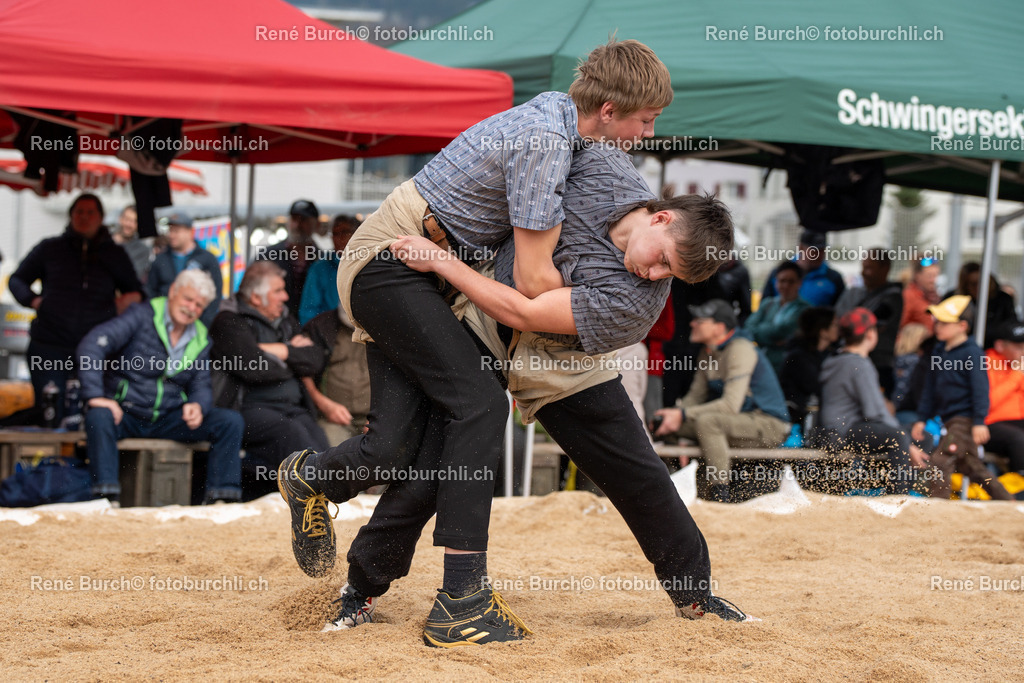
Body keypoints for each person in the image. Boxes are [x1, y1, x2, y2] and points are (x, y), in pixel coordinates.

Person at [277, 37, 677, 647]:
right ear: (608, 108)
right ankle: (463, 595)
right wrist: (591, 308)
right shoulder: (548, 142)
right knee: (482, 406)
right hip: (395, 265)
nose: (646, 134)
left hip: (421, 276)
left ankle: (313, 481)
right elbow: (532, 282)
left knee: (392, 450)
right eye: (645, 120)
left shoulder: (563, 127)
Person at [329, 183, 743, 639]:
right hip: (485, 332)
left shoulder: (638, 299)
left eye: (671, 275)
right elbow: (569, 128)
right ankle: (361, 587)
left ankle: (695, 595)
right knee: (430, 472)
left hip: (564, 364)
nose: (654, 275)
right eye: (662, 259)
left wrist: (441, 261)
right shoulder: (594, 180)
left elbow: (528, 314)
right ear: (660, 217)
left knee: (638, 469)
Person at [77, 270, 243, 504]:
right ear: (173, 291)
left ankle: (223, 499)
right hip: (126, 412)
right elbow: (93, 345)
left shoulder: (200, 338)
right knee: (98, 416)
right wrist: (95, 396)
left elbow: (201, 384)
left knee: (229, 422)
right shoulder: (141, 315)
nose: (191, 308)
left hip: (167, 417)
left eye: (199, 305)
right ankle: (106, 497)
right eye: (188, 299)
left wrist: (198, 405)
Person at [8, 193, 143, 423]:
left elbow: (137, 292)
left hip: (96, 348)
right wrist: (35, 301)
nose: (84, 217)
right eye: (79, 212)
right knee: (50, 410)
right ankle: (49, 460)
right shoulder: (50, 248)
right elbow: (17, 280)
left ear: (100, 217)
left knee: (91, 412)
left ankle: (82, 460)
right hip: (49, 343)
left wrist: (120, 308)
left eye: (91, 212)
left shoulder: (115, 254)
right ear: (71, 216)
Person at [209, 261, 328, 501]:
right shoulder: (229, 321)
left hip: (293, 408)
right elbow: (254, 367)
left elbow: (315, 359)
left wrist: (276, 351)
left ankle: (325, 496)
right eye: (278, 291)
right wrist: (292, 357)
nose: (285, 296)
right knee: (293, 436)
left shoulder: (286, 321)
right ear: (255, 297)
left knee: (321, 443)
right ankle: (313, 501)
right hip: (247, 410)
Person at [654, 300, 791, 503]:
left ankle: (721, 495)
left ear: (719, 327)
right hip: (738, 421)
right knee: (663, 423)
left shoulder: (741, 349)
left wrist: (682, 414)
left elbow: (730, 405)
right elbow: (695, 397)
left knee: (708, 422)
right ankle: (674, 484)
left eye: (700, 320)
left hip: (769, 424)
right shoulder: (708, 351)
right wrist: (672, 416)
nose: (692, 324)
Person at [911, 295, 1012, 500]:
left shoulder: (972, 353)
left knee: (939, 462)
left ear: (962, 326)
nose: (938, 326)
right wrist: (922, 418)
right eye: (937, 321)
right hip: (948, 419)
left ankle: (939, 508)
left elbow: (980, 389)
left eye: (945, 322)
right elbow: (930, 390)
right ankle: (1007, 501)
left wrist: (978, 421)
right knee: (973, 468)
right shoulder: (938, 352)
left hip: (964, 421)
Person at [818, 308, 922, 495]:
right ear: (870, 334)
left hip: (836, 430)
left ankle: (891, 490)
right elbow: (874, 411)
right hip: (842, 432)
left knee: (920, 436)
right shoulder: (859, 364)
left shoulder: (835, 358)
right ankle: (897, 499)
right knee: (899, 437)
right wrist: (906, 440)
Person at [835, 248, 903, 394]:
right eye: (863, 267)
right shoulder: (853, 292)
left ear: (885, 269)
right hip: (847, 360)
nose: (864, 272)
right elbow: (837, 320)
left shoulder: (893, 297)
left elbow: (861, 324)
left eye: (869, 268)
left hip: (878, 364)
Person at [301, 306, 370, 445]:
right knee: (330, 455)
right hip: (331, 417)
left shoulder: (387, 328)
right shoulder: (322, 326)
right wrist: (324, 404)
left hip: (374, 418)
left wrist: (382, 416)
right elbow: (302, 369)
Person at [146, 212, 223, 328]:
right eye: (170, 230)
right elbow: (150, 290)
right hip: (163, 322)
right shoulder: (160, 259)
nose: (172, 235)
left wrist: (203, 324)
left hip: (197, 322)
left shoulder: (207, 259)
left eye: (176, 231)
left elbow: (216, 294)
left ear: (189, 232)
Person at [255, 199, 321, 319]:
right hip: (275, 324)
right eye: (294, 219)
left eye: (304, 220)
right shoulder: (267, 255)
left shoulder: (322, 260)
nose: (297, 225)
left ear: (316, 224)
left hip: (311, 327)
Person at [779, 306, 838, 439]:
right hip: (798, 419)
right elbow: (818, 387)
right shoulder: (798, 357)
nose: (838, 327)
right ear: (823, 331)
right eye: (834, 324)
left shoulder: (829, 354)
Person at [744, 261, 809, 377]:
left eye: (791, 281)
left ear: (799, 283)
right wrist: (775, 336)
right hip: (762, 364)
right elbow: (748, 328)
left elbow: (784, 331)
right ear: (775, 283)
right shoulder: (767, 303)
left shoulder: (805, 309)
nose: (786, 286)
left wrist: (761, 330)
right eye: (782, 281)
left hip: (788, 369)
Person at [298, 214, 359, 325]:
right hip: (331, 335)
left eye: (345, 232)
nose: (339, 238)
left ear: (357, 234)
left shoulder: (370, 265)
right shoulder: (320, 268)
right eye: (335, 233)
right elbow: (308, 311)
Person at [944, 262, 1019, 349]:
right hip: (964, 347)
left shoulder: (1003, 299)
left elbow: (1011, 324)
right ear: (965, 285)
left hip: (995, 349)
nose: (978, 287)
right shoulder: (954, 298)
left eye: (983, 282)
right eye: (973, 283)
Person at [762, 230, 844, 307]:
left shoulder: (833, 278)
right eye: (814, 251)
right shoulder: (779, 273)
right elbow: (764, 307)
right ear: (801, 248)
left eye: (822, 250)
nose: (819, 254)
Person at [983, 320, 1024, 475]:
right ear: (1000, 345)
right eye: (1018, 347)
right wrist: (1016, 376)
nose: (1023, 352)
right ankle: (1020, 488)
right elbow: (988, 402)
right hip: (991, 423)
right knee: (1018, 439)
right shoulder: (987, 363)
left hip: (1018, 420)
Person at [111, 205, 153, 283]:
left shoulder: (142, 250)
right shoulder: (105, 241)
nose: (129, 224)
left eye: (134, 221)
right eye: (127, 219)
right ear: (120, 219)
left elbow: (133, 277)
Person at [900, 258, 940, 333]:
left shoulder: (934, 297)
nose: (933, 280)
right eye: (929, 276)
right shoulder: (909, 296)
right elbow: (899, 324)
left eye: (936, 275)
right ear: (918, 276)